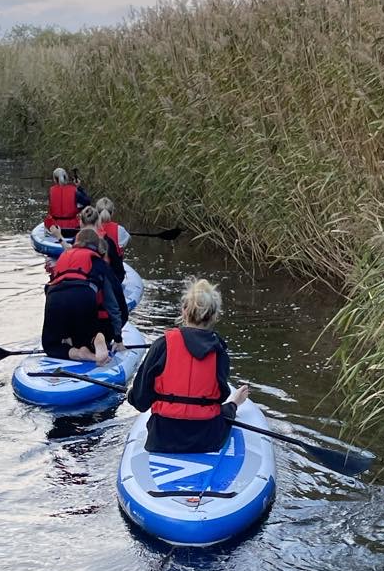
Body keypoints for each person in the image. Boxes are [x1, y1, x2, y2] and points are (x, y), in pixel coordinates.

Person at [127, 277, 247, 454]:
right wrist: (230, 405)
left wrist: (132, 394)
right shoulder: (219, 352)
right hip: (207, 439)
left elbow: (140, 402)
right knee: (224, 407)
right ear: (214, 316)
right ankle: (236, 404)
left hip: (163, 438)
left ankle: (234, 404)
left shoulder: (161, 345)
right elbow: (220, 396)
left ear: (184, 311)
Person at [42, 228, 125, 362]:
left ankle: (80, 353)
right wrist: (118, 338)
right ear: (96, 245)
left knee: (51, 346)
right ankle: (96, 339)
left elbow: (50, 288)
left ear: (77, 242)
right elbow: (113, 305)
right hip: (84, 296)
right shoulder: (98, 262)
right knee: (85, 337)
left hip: (55, 296)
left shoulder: (64, 256)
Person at [44, 167, 80, 239]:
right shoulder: (74, 189)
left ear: (55, 179)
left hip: (55, 227)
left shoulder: (52, 190)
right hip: (73, 227)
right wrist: (78, 187)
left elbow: (50, 209)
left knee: (47, 218)